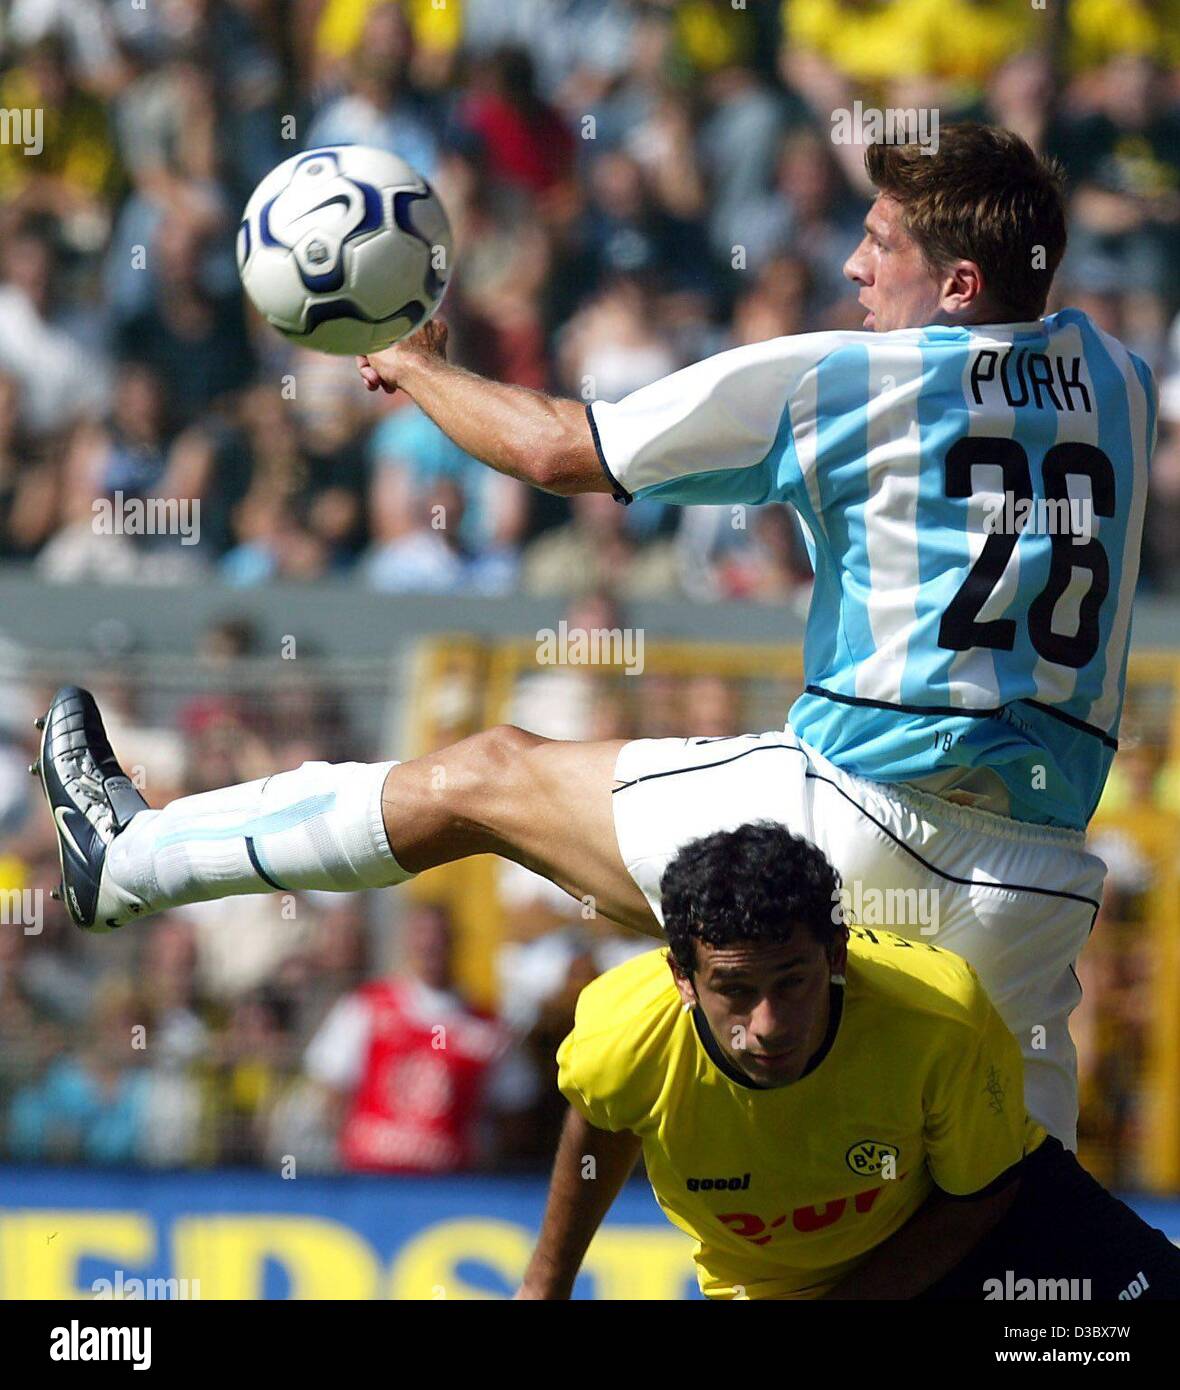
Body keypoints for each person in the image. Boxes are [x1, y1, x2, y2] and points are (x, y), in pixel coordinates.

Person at [36, 124, 1153, 1151]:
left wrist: (416, 364)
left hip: (850, 820)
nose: (853, 270)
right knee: (1009, 1228)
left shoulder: (844, 379)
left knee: (483, 776)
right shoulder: (1124, 383)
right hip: (1035, 892)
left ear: (958, 284)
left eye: (879, 246)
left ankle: (131, 859)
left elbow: (562, 453)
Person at [518, 824, 1180, 1301]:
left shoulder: (938, 1016)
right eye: (736, 991)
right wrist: (544, 1285)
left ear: (835, 955)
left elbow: (980, 1199)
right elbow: (602, 1121)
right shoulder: (621, 1037)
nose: (770, 1025)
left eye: (792, 982)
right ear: (682, 978)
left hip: (974, 1229)